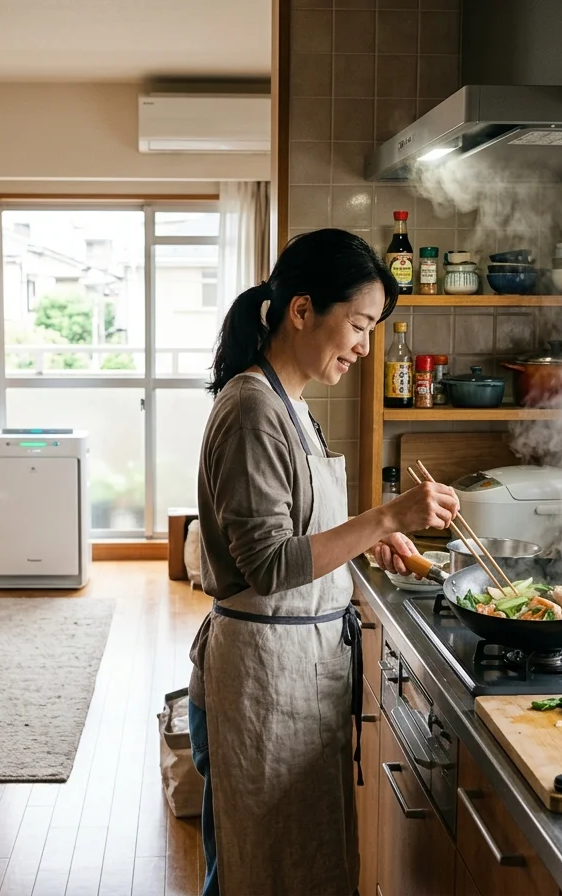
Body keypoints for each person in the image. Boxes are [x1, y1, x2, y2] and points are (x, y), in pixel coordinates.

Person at [187, 228, 460, 896]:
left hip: (295, 672)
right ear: (303, 310)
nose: (366, 348)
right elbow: (272, 565)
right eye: (360, 325)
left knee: (294, 865)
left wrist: (371, 538)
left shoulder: (292, 404)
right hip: (264, 679)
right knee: (262, 871)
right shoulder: (253, 408)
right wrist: (386, 517)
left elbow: (294, 529)